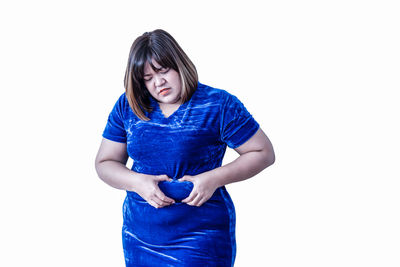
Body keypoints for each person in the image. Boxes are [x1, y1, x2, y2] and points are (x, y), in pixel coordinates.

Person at [95, 29, 275, 267]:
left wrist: (213, 178)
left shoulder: (218, 104)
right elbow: (105, 162)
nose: (158, 82)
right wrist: (136, 182)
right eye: (147, 78)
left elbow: (262, 152)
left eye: (163, 70)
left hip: (200, 236)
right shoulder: (128, 106)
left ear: (179, 64)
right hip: (141, 235)